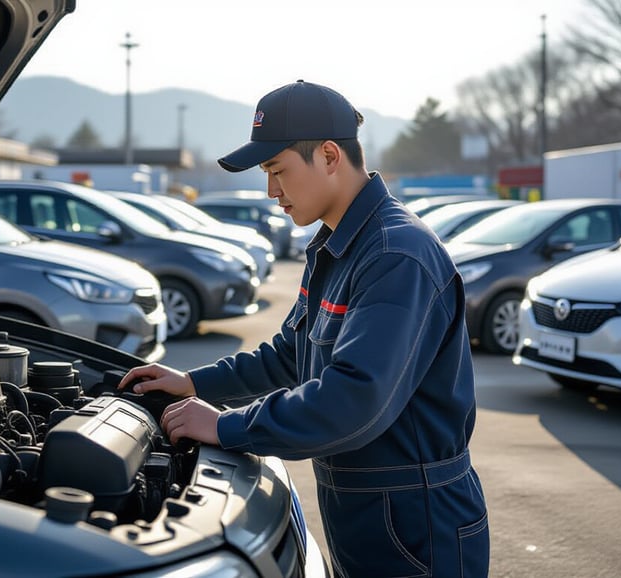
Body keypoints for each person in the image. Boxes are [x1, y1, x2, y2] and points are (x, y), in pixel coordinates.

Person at [118, 79, 489, 577]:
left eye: (277, 170)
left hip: (416, 522)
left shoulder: (395, 255)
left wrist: (227, 426)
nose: (271, 191)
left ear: (330, 155)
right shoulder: (337, 245)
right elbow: (291, 356)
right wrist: (193, 382)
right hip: (367, 514)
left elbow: (354, 399)